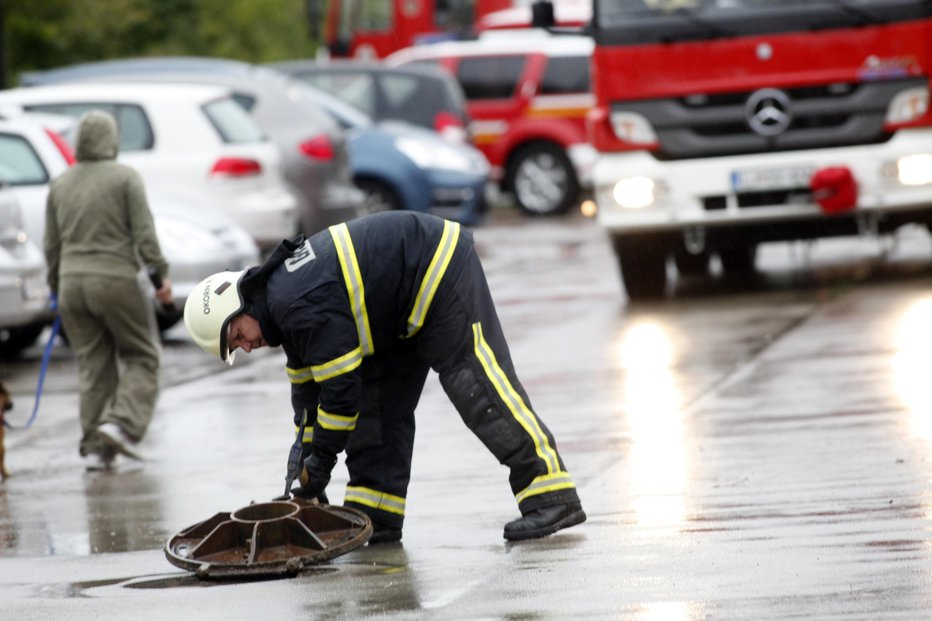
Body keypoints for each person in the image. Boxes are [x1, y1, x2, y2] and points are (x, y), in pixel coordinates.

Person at [184, 211, 585, 542]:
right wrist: (303, 477)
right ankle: (375, 517)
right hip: (393, 315)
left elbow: (340, 394)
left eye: (237, 336)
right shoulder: (281, 309)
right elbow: (308, 403)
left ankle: (551, 495)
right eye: (237, 348)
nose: (247, 347)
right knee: (377, 409)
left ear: (239, 304)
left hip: (436, 271)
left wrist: (321, 461)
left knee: (476, 386)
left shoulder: (296, 303)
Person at [44, 109, 172, 471]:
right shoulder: (125, 178)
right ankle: (123, 425)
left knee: (93, 363)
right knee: (142, 354)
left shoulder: (60, 184)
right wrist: (160, 277)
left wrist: (56, 289)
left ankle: (97, 445)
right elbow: (144, 235)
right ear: (112, 139)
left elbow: (51, 246)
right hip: (115, 279)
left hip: (71, 284)